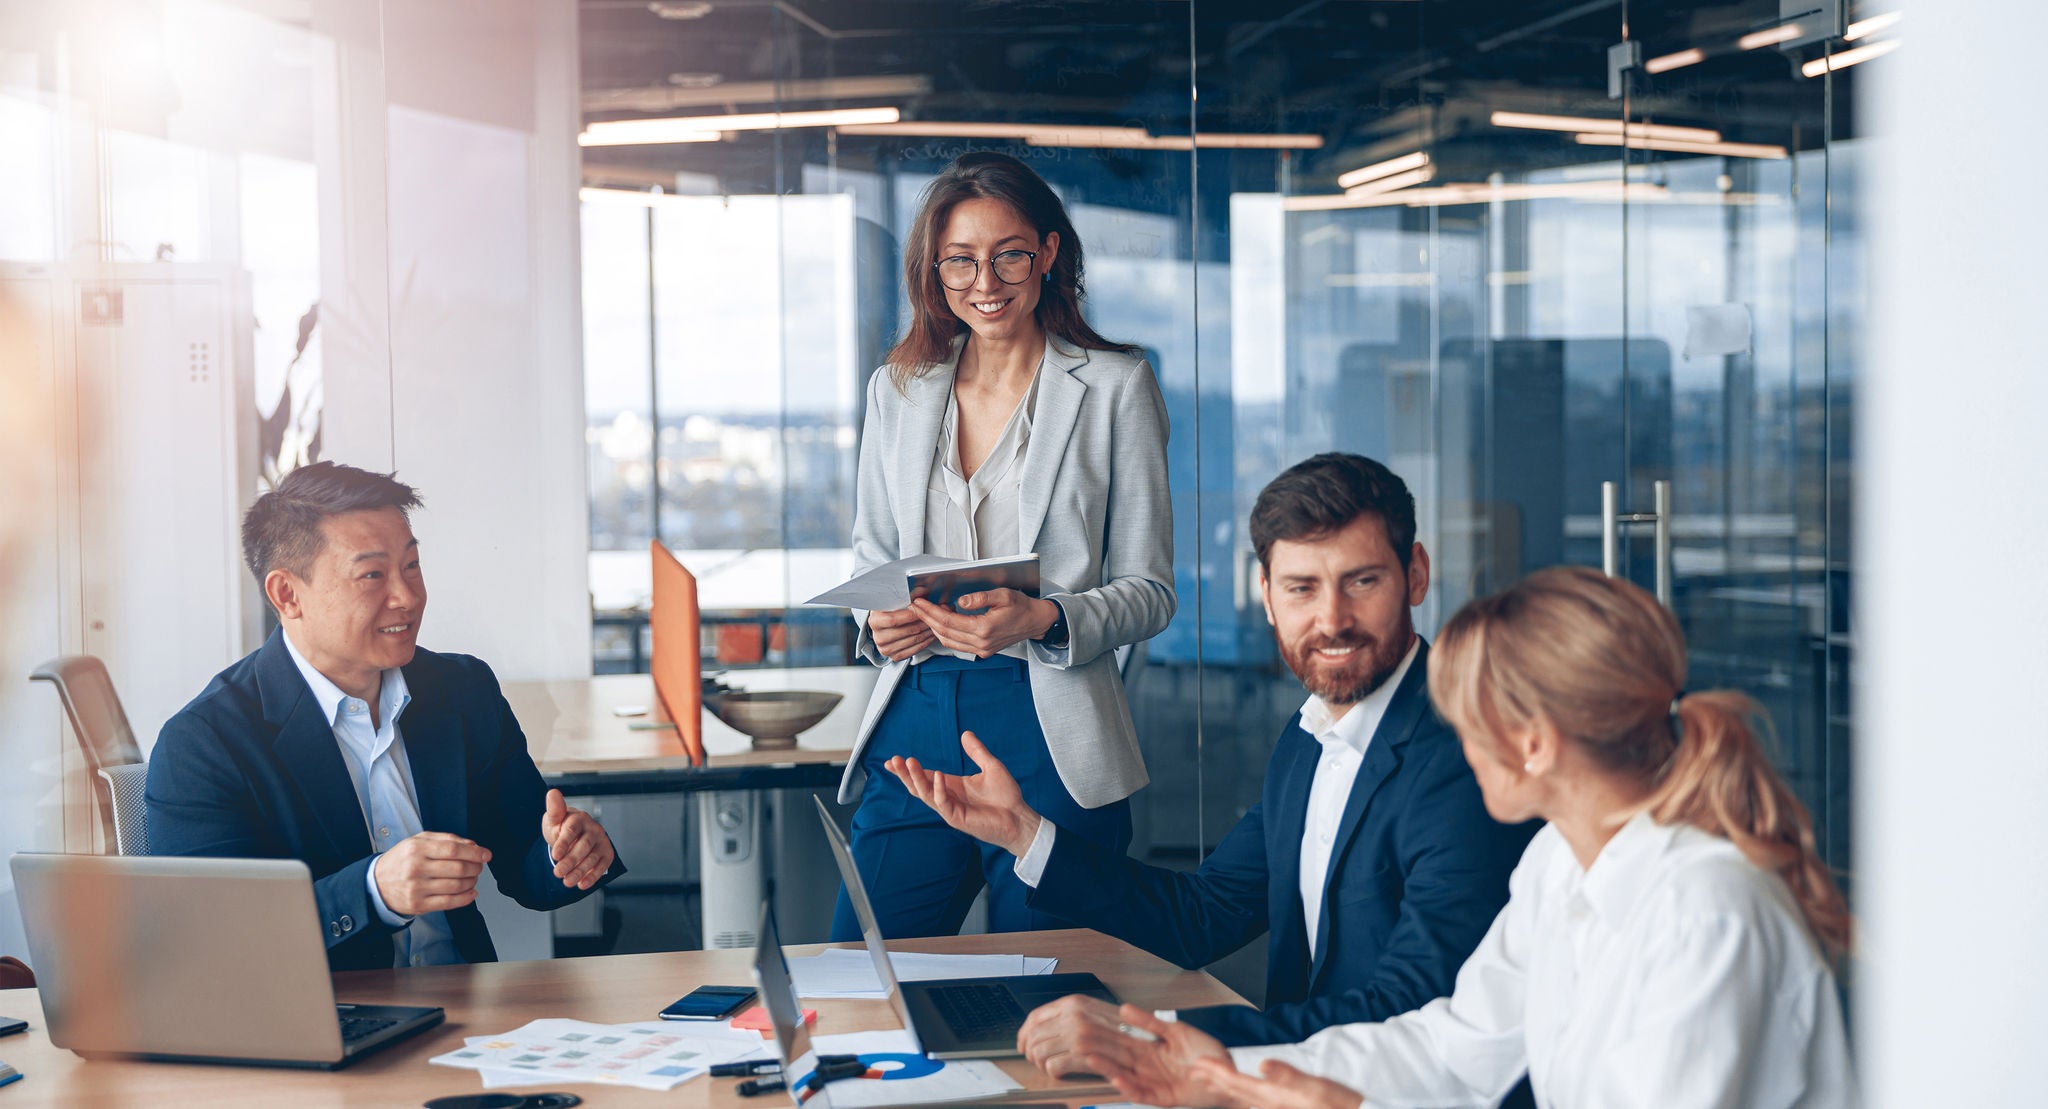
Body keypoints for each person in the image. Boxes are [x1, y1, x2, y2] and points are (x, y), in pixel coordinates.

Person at [1087, 566, 1857, 1109]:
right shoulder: (1561, 858)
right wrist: (1233, 1073)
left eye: (1465, 716)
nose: (1450, 737)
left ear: (1535, 744)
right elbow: (1452, 1047)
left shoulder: (1707, 910)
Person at [887, 453, 1536, 1075]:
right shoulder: (1311, 734)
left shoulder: (1465, 759)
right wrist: (1024, 833)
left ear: (1415, 574)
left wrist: (1145, 1038)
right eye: (1301, 588)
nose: (1331, 619)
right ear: (1267, 594)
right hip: (1294, 1083)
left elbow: (1411, 1012)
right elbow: (1202, 915)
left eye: (1361, 581)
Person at [832, 150, 1175, 942]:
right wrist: (877, 621)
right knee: (863, 973)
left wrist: (1041, 617)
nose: (984, 281)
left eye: (1008, 254)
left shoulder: (1117, 387)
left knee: (1046, 989)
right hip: (915, 716)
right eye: (960, 261)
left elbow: (1150, 590)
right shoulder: (900, 387)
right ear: (935, 269)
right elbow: (871, 555)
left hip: (1049, 725)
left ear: (1049, 254)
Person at [147, 462, 624, 972]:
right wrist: (375, 891)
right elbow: (217, 936)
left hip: (468, 1008)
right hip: (325, 1022)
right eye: (372, 575)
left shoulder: (463, 692)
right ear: (287, 594)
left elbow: (527, 859)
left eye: (412, 566)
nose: (408, 597)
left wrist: (569, 855)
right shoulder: (204, 742)